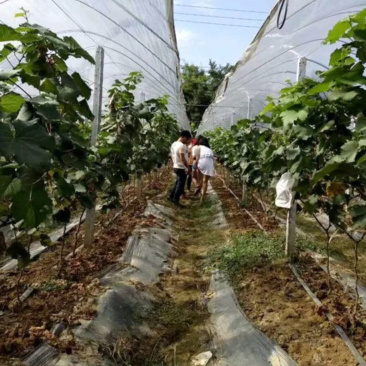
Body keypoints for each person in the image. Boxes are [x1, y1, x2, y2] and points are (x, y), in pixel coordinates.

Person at [169, 130, 192, 207]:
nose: (188, 142)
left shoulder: (174, 144)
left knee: (178, 182)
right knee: (180, 184)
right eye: (188, 140)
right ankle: (176, 200)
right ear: (185, 137)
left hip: (176, 166)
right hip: (181, 167)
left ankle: (171, 197)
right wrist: (188, 167)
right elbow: (182, 158)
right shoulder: (181, 146)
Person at [195, 137, 215, 204]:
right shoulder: (210, 149)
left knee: (199, 172)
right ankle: (202, 198)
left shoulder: (198, 147)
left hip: (203, 160)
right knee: (205, 181)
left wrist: (196, 164)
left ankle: (199, 185)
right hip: (210, 162)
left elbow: (197, 158)